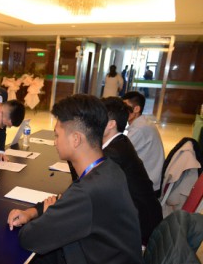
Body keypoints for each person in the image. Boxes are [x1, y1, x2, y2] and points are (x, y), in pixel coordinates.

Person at [7, 94, 142, 263]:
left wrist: (46, 215)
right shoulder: (108, 169)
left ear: (76, 139)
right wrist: (31, 212)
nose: (55, 142)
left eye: (57, 135)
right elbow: (64, 201)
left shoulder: (88, 192)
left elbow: (29, 239)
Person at [69, 98, 162, 246]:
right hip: (137, 215)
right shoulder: (120, 142)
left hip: (138, 228)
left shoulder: (114, 153)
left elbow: (83, 183)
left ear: (111, 124)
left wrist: (72, 150)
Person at [123, 91, 165, 193]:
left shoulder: (139, 128)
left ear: (136, 109)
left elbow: (121, 152)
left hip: (147, 185)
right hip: (149, 177)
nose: (122, 111)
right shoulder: (142, 123)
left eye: (125, 107)